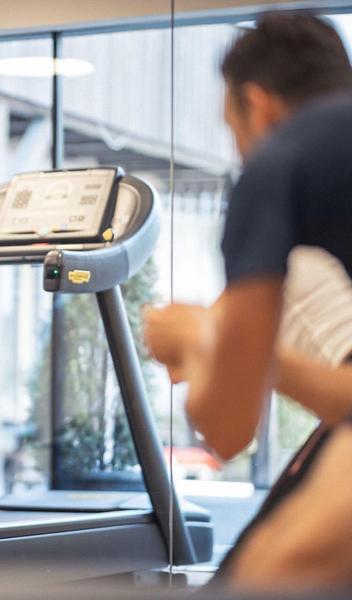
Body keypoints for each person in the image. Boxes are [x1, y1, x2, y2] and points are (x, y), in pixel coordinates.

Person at [143, 12, 352, 589]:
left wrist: (202, 341)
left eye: (230, 127)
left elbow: (229, 430)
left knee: (262, 573)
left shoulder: (281, 160)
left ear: (257, 106)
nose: (238, 148)